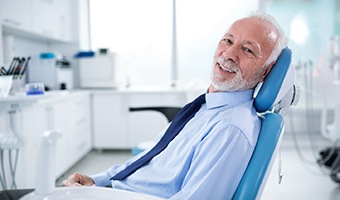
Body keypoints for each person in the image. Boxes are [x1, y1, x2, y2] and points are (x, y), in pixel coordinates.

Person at [0, 10, 288, 200]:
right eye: (228, 40)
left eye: (248, 50)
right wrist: (98, 181)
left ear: (267, 71)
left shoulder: (231, 128)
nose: (229, 54)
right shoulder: (209, 107)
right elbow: (154, 160)